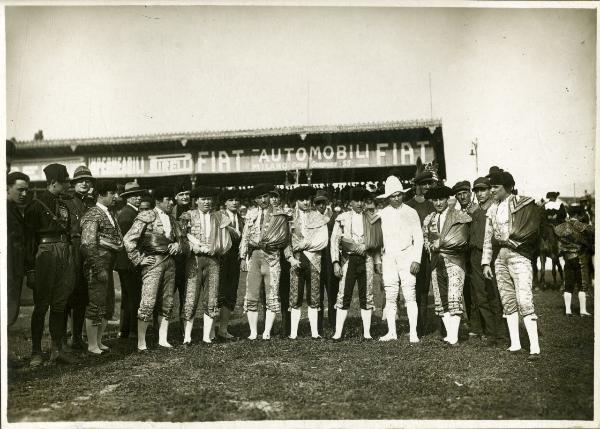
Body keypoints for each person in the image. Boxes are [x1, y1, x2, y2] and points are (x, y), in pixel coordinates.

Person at [482, 170, 542, 360]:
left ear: (507, 187)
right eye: (491, 186)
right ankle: (515, 344)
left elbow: (531, 231)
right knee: (507, 300)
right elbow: (487, 238)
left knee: (524, 299)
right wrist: (485, 262)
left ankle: (534, 347)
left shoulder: (523, 203)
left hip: (519, 255)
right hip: (500, 257)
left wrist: (510, 240)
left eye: (495, 187)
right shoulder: (492, 208)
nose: (492, 190)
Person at [123, 187, 189, 352]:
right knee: (148, 301)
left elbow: (184, 242)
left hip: (170, 262)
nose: (171, 202)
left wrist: (177, 245)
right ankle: (141, 342)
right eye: (168, 199)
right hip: (153, 262)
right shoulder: (147, 215)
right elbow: (129, 239)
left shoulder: (173, 220)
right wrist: (139, 259)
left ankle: (163, 339)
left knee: (167, 301)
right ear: (158, 201)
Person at [24, 163, 77, 366]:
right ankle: (36, 351)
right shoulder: (35, 204)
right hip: (45, 254)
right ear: (54, 182)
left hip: (64, 252)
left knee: (60, 303)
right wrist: (30, 268)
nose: (67, 185)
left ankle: (57, 350)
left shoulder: (64, 204)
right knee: (41, 305)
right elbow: (29, 240)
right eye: (65, 182)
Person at [180, 186, 232, 345]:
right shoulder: (188, 215)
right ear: (196, 201)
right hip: (194, 259)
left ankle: (206, 336)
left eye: (209, 199)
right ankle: (187, 336)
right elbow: (182, 237)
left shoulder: (219, 216)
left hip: (213, 259)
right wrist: (194, 246)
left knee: (212, 296)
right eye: (203, 199)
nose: (207, 202)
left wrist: (217, 249)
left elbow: (226, 240)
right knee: (191, 296)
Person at [330, 187, 383, 341]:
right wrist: (335, 262)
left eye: (362, 200)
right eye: (356, 200)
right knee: (344, 294)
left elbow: (377, 243)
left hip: (366, 259)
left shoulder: (371, 218)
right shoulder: (342, 218)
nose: (360, 203)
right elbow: (334, 241)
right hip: (348, 260)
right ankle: (338, 332)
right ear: (350, 202)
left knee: (366, 294)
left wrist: (377, 261)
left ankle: (367, 333)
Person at [239, 183, 291, 340]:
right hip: (254, 256)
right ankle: (253, 332)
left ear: (269, 197)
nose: (263, 200)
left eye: (265, 196)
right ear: (255, 199)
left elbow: (284, 239)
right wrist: (242, 257)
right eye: (259, 197)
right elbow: (245, 236)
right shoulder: (251, 214)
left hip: (272, 256)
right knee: (252, 294)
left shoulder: (280, 214)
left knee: (272, 295)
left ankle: (267, 332)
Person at [423, 185, 472, 346]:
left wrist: (440, 244)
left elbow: (461, 240)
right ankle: (451, 335)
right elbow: (426, 240)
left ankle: (454, 336)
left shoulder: (459, 215)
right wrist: (431, 246)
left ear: (447, 200)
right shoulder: (430, 219)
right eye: (435, 199)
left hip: (454, 260)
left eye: (441, 199)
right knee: (441, 297)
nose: (438, 203)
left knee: (454, 295)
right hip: (437, 261)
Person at [376, 176, 423, 343]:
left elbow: (419, 238)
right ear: (388, 198)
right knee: (390, 295)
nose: (396, 198)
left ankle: (414, 333)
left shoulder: (411, 212)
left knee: (410, 295)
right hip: (389, 257)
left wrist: (416, 259)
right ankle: (392, 332)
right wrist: (379, 260)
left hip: (407, 255)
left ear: (402, 195)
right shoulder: (382, 214)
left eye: (398, 195)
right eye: (392, 196)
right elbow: (376, 238)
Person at [80, 180, 124, 355]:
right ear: (101, 194)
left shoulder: (109, 213)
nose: (116, 197)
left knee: (106, 304)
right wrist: (98, 268)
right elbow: (87, 244)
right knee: (96, 304)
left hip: (107, 264)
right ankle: (92, 344)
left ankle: (98, 341)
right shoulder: (93, 213)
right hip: (97, 265)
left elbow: (118, 240)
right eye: (112, 193)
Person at [285, 186, 329, 339]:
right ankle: (293, 333)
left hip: (314, 260)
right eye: (302, 199)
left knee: (314, 296)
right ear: (296, 201)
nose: (306, 202)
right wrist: (290, 258)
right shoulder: (290, 217)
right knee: (295, 297)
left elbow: (323, 241)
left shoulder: (318, 216)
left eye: (308, 199)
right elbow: (286, 241)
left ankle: (315, 332)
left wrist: (304, 245)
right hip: (296, 260)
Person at [62, 165, 96, 351]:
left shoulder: (91, 204)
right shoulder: (65, 202)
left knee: (83, 295)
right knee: (67, 294)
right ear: (73, 184)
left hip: (87, 252)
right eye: (80, 180)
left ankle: (77, 337)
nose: (84, 183)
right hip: (71, 251)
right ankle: (63, 338)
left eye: (87, 180)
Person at [468, 177, 505, 345]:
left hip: (491, 255)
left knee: (495, 294)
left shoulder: (496, 209)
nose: (480, 193)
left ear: (490, 190)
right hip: (475, 256)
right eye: (477, 190)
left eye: (483, 189)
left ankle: (501, 334)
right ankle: (490, 333)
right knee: (481, 295)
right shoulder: (474, 212)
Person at [405, 170, 437, 337]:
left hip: (427, 254)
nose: (426, 186)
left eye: (428, 183)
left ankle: (422, 326)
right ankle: (413, 325)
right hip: (410, 253)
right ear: (416, 185)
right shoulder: (408, 205)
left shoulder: (432, 205)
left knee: (424, 289)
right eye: (423, 184)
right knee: (412, 289)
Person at [115, 181, 147, 340]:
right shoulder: (129, 215)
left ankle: (125, 329)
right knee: (134, 296)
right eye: (135, 195)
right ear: (128, 197)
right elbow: (130, 242)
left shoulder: (128, 212)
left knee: (128, 297)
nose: (139, 198)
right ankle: (133, 330)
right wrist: (138, 259)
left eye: (140, 195)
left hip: (125, 262)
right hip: (130, 262)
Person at [452, 180, 480, 337]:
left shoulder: (476, 210)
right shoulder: (457, 213)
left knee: (478, 289)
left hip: (475, 253)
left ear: (470, 194)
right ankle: (471, 322)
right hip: (462, 255)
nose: (462, 196)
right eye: (459, 194)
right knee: (466, 289)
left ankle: (479, 324)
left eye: (465, 193)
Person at [555, 204, 594, 317]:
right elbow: (591, 232)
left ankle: (568, 311)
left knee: (568, 284)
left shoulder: (561, 227)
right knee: (582, 284)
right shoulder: (581, 226)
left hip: (567, 258)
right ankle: (582, 311)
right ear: (578, 214)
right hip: (579, 257)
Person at [218, 188, 245, 339]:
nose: (234, 202)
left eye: (236, 199)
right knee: (217, 292)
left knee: (230, 292)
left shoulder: (241, 218)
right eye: (231, 200)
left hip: (234, 259)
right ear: (225, 202)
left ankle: (223, 329)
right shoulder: (218, 216)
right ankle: (209, 331)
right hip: (220, 258)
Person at [314, 190, 339, 334]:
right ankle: (318, 327)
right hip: (316, 260)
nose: (321, 206)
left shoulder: (333, 219)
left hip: (330, 260)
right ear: (315, 204)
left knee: (332, 294)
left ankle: (334, 324)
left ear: (327, 203)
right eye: (318, 203)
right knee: (317, 295)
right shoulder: (311, 218)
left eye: (323, 203)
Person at [7, 172, 30, 327]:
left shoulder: (13, 208)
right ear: (7, 188)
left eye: (26, 190)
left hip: (15, 268)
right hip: (8, 269)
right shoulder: (5, 210)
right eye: (20, 189)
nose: (24, 194)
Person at [173, 181, 192, 321]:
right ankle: (159, 327)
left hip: (190, 258)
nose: (185, 197)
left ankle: (184, 326)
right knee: (167, 294)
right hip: (173, 259)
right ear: (175, 197)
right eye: (181, 194)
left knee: (187, 294)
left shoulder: (195, 211)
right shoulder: (170, 212)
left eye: (187, 194)